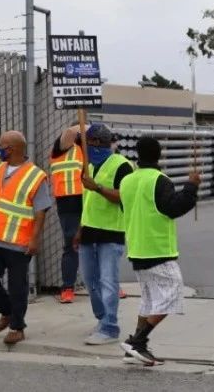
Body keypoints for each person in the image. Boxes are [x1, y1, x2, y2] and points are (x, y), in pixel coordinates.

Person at [118, 137, 199, 366]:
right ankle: (138, 342)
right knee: (172, 293)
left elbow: (127, 208)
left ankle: (133, 351)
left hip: (136, 247)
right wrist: (191, 187)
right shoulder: (159, 180)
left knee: (149, 299)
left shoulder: (126, 181)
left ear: (137, 154)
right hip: (157, 248)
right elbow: (173, 208)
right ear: (160, 155)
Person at [0, 131, 52, 345]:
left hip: (19, 244)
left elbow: (41, 211)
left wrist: (35, 240)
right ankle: (6, 312)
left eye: (1, 145)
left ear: (12, 149)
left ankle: (17, 327)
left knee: (17, 287)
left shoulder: (35, 176)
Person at [74, 124, 134, 345]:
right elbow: (87, 202)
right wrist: (80, 230)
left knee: (108, 281)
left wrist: (97, 187)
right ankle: (102, 319)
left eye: (89, 144)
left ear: (101, 144)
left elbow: (123, 196)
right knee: (91, 281)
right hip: (89, 231)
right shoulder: (87, 166)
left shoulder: (122, 166)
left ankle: (110, 327)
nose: (87, 149)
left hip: (111, 232)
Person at [48, 123, 85, 304]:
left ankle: (107, 284)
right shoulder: (60, 148)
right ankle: (68, 287)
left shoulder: (85, 149)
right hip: (68, 201)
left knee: (99, 243)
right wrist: (85, 125)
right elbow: (70, 132)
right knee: (71, 244)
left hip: (89, 200)